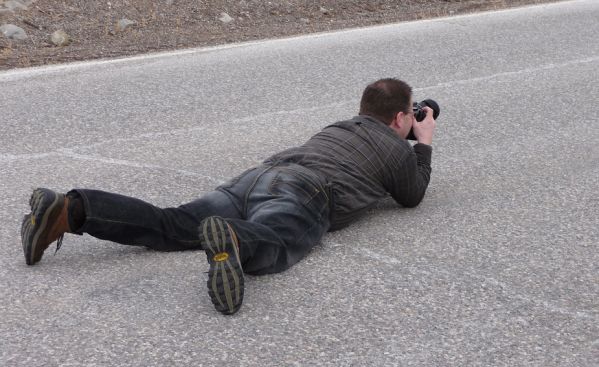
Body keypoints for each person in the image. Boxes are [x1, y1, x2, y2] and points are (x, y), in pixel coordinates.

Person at [21, 78, 436, 315]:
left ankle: (72, 210)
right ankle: (235, 240)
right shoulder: (397, 148)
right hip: (305, 190)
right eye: (411, 112)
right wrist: (424, 141)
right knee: (277, 240)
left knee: (171, 223)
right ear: (400, 117)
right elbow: (412, 195)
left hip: (257, 177)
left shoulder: (339, 127)